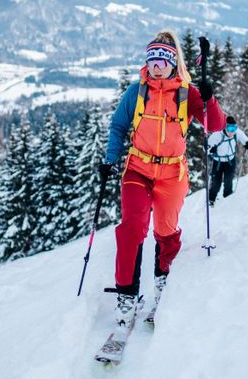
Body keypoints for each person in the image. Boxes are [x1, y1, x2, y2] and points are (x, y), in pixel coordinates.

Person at [98, 30, 226, 336]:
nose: (156, 67)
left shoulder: (186, 94)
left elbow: (215, 125)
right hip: (137, 169)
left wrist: (209, 98)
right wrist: (110, 159)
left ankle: (162, 281)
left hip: (172, 174)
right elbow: (118, 126)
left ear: (173, 64)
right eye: (152, 61)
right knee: (131, 228)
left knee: (166, 231)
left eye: (163, 62)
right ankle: (127, 297)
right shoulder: (137, 92)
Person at [206, 116, 248, 206]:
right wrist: (210, 149)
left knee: (228, 182)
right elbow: (206, 148)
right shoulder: (217, 135)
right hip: (218, 162)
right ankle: (211, 199)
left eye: (234, 128)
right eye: (230, 129)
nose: (232, 132)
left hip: (230, 162)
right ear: (225, 127)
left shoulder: (236, 133)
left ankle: (227, 201)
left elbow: (247, 140)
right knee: (216, 183)